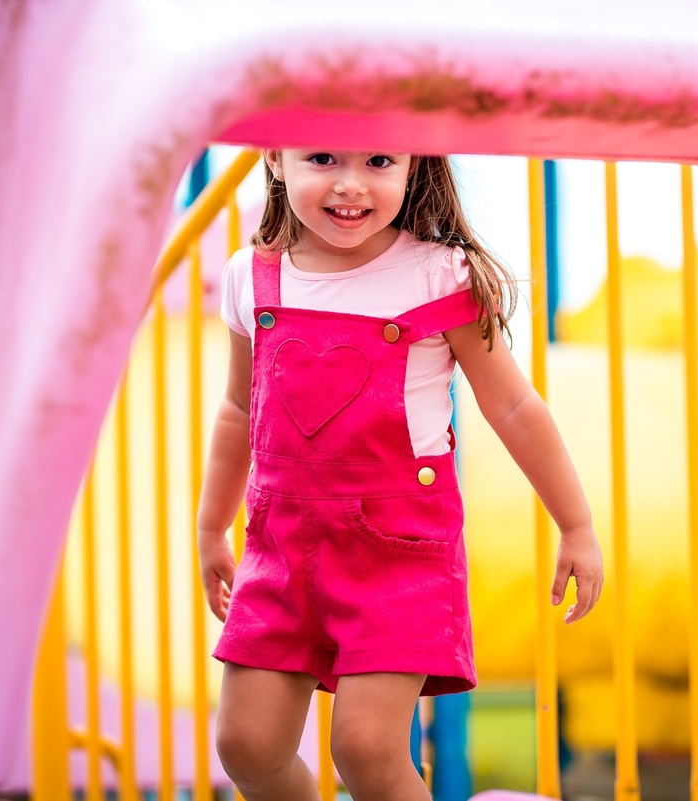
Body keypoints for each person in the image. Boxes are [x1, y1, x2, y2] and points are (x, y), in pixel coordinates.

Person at [196, 149, 604, 801]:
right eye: (322, 158)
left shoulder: (441, 275)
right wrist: (213, 522)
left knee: (366, 746)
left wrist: (576, 524)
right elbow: (239, 408)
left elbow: (514, 406)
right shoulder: (253, 275)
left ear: (414, 164)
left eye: (380, 160)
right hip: (280, 548)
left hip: (396, 552)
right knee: (246, 743)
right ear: (275, 158)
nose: (351, 183)